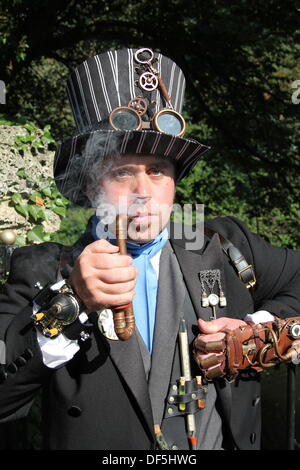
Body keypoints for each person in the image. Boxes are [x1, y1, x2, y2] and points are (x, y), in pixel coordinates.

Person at [0, 47, 300, 451]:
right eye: (122, 172)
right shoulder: (42, 268)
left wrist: (254, 331)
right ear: (91, 186)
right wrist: (71, 301)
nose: (143, 192)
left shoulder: (226, 245)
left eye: (157, 171)